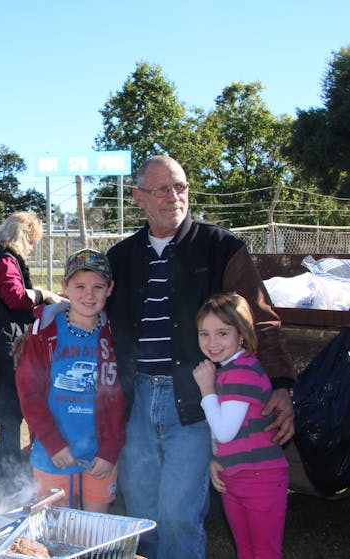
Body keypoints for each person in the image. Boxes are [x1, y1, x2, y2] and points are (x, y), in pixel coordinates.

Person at [105, 155, 295, 559]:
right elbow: (88, 311)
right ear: (139, 198)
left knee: (178, 515)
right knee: (141, 514)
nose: (174, 197)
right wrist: (42, 330)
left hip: (195, 401)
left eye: (181, 187)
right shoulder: (119, 259)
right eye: (161, 189)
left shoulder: (221, 247)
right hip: (134, 402)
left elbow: (260, 319)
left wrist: (280, 384)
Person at [16, 249, 125, 512]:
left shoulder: (115, 335)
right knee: (55, 529)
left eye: (98, 286)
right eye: (80, 286)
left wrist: (110, 449)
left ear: (110, 289)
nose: (89, 294)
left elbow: (119, 398)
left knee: (95, 528)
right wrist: (53, 443)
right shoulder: (44, 333)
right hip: (52, 451)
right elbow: (29, 394)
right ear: (65, 287)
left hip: (99, 454)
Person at [0, 210, 63, 487]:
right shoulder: (5, 260)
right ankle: (8, 475)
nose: (32, 248)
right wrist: (44, 295)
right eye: (32, 242)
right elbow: (16, 298)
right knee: (10, 413)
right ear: (23, 237)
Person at [193, 292, 288, 559]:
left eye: (222, 333)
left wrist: (206, 390)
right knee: (246, 551)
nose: (212, 342)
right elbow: (220, 430)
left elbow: (224, 432)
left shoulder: (241, 371)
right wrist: (214, 459)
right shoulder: (226, 370)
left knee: (263, 552)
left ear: (242, 333)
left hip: (260, 478)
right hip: (235, 477)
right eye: (204, 333)